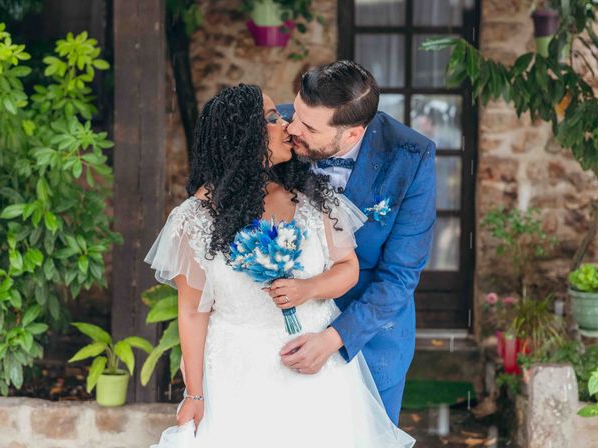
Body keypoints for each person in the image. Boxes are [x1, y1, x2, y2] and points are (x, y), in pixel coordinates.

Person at [145, 84, 415, 447]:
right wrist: (194, 394)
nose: (286, 124)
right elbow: (193, 312)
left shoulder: (313, 196)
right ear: (242, 138)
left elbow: (348, 267)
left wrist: (309, 288)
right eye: (271, 118)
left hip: (317, 370)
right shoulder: (193, 219)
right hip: (236, 374)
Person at [277, 60, 436, 425]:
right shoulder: (277, 129)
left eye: (308, 126)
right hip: (281, 332)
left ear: (351, 135)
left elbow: (399, 275)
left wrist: (334, 338)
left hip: (367, 338)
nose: (292, 127)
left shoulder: (410, 157)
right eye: (295, 113)